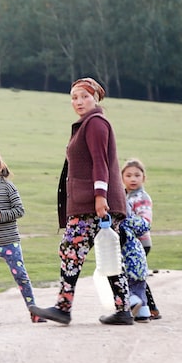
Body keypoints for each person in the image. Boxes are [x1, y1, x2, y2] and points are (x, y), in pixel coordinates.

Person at [29, 77, 135, 325]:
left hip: (93, 203)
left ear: (96, 98)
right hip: (93, 202)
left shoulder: (95, 123)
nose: (78, 102)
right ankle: (123, 310)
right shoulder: (88, 123)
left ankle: (63, 307)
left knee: (70, 250)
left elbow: (101, 163)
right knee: (108, 254)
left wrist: (99, 197)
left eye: (84, 96)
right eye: (74, 97)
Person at [0, 149, 45, 326]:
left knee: (21, 276)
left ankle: (34, 312)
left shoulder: (8, 187)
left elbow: (20, 210)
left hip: (10, 241)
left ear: (0, 166)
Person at [122, 158, 162, 320]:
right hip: (129, 241)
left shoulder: (141, 198)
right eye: (129, 175)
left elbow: (145, 221)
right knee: (137, 275)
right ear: (122, 178)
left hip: (140, 242)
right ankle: (148, 309)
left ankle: (143, 307)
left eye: (137, 175)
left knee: (134, 276)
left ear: (143, 178)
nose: (133, 179)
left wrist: (123, 222)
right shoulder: (126, 195)